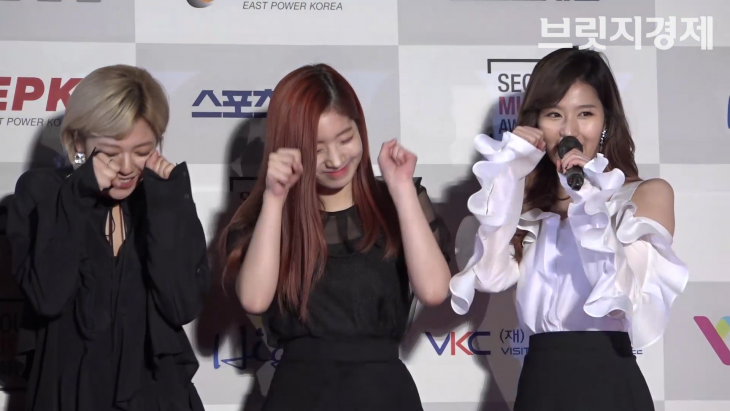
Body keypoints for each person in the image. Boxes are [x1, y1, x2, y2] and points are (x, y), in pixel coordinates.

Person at [450, 48, 689, 410]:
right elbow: (489, 276)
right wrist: (510, 178)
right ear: (536, 122)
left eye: (585, 114)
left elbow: (620, 294)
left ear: (606, 121)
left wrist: (586, 197)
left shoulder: (644, 196)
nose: (569, 131)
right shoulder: (525, 206)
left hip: (609, 382)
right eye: (554, 114)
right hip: (540, 382)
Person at [220, 63, 452, 411]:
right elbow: (254, 299)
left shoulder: (397, 201)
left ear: (361, 128)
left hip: (384, 395)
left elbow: (434, 290)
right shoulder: (269, 215)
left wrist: (402, 188)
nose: (335, 159)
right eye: (317, 149)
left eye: (345, 139)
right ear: (290, 147)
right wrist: (275, 198)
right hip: (299, 396)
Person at [6, 65, 209, 410]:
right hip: (68, 395)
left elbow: (181, 306)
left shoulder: (165, 199)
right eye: (111, 153)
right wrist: (77, 194)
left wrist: (166, 205)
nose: (127, 167)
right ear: (78, 142)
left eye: (142, 151)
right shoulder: (42, 193)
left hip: (156, 397)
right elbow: (46, 297)